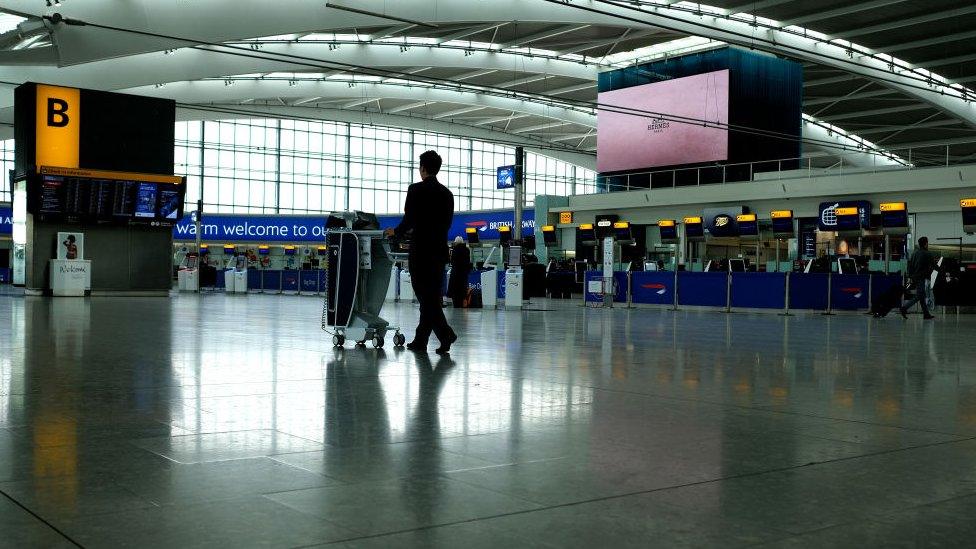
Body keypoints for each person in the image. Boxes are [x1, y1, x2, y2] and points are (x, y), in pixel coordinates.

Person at [385, 150, 457, 354]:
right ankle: (421, 339)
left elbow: (409, 220)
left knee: (426, 297)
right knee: (431, 297)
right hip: (439, 251)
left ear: (423, 168)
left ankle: (446, 334)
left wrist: (396, 232)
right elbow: (447, 224)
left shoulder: (415, 190)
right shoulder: (447, 194)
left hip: (421, 251)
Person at [901, 236, 938, 320]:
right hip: (921, 277)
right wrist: (943, 270)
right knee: (919, 295)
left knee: (921, 295)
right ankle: (904, 308)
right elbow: (934, 265)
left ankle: (926, 314)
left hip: (915, 277)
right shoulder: (927, 253)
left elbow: (910, 266)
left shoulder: (915, 253)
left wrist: (910, 276)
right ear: (925, 244)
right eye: (927, 243)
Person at [448, 236, 472, 308]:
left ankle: (456, 304)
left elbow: (452, 262)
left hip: (455, 273)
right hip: (463, 273)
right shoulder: (467, 250)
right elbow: (468, 261)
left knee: (455, 289)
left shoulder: (454, 250)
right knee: (462, 288)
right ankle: (462, 303)